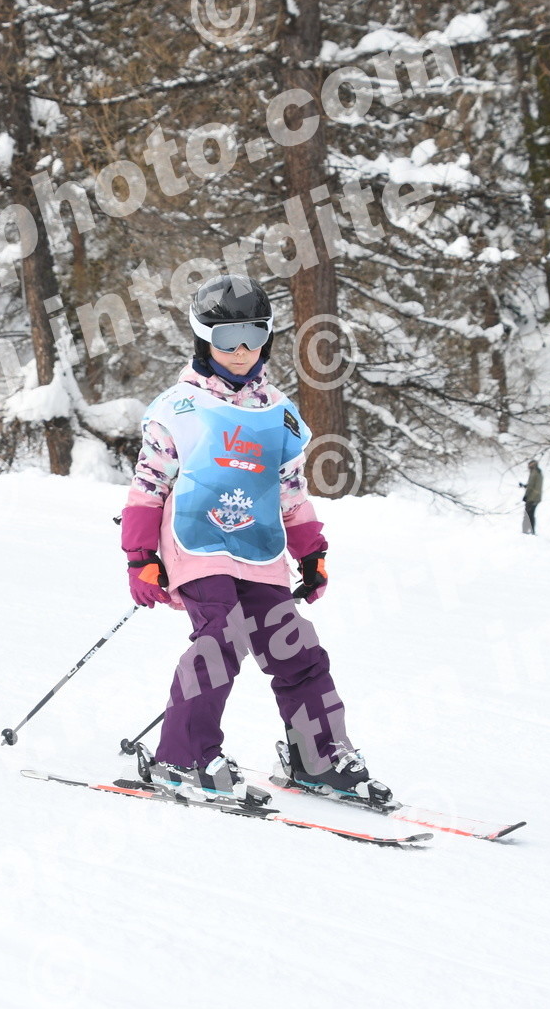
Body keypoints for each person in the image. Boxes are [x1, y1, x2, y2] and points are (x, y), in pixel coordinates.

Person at [118, 274, 390, 806]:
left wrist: (311, 553)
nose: (241, 350)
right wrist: (140, 558)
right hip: (197, 543)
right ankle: (183, 757)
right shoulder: (178, 409)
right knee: (220, 639)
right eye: (227, 337)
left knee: (297, 649)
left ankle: (319, 757)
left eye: (254, 335)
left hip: (260, 548)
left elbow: (290, 492)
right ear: (203, 338)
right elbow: (148, 487)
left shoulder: (279, 414)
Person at [522, 459, 543, 535]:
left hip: (532, 498)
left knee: (527, 515)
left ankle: (525, 531)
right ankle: (532, 531)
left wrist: (526, 495)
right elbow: (534, 485)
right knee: (531, 514)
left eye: (529, 465)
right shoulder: (539, 472)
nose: (528, 467)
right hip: (537, 497)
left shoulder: (534, 473)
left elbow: (531, 486)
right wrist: (525, 486)